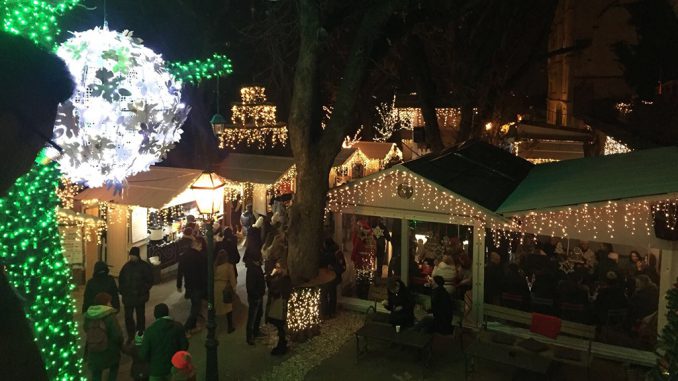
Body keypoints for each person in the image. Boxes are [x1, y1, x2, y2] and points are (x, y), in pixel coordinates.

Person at [140, 303, 188, 381]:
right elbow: (184, 346)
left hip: (156, 371)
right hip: (174, 368)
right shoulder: (178, 327)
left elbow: (143, 354)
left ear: (155, 315)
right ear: (167, 313)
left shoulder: (150, 331)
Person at [83, 292, 123, 381]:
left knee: (96, 372)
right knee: (114, 366)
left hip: (92, 348)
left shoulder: (88, 315)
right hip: (109, 349)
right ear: (106, 303)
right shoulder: (109, 315)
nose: (110, 304)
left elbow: (85, 328)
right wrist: (121, 343)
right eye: (109, 302)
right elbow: (117, 334)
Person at [119, 247, 154, 341]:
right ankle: (131, 334)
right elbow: (121, 280)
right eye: (131, 255)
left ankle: (140, 333)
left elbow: (149, 280)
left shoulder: (144, 266)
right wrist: (122, 291)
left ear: (137, 255)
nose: (131, 257)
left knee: (140, 316)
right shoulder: (126, 267)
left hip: (139, 297)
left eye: (133, 255)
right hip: (128, 296)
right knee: (128, 316)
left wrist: (142, 290)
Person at [176, 237, 207, 334]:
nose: (201, 247)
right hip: (198, 285)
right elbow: (204, 273)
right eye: (200, 245)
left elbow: (180, 271)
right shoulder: (200, 256)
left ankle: (192, 326)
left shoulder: (184, 255)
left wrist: (179, 284)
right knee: (196, 308)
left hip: (189, 285)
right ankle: (186, 328)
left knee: (194, 305)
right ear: (197, 245)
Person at [266, 260, 293, 355]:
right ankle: (282, 344)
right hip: (280, 305)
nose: (276, 269)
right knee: (280, 326)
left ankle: (282, 346)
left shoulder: (283, 279)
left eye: (278, 267)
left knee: (280, 326)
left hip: (279, 306)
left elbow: (272, 287)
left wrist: (271, 276)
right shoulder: (284, 278)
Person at [320, 238, 346, 318]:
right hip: (335, 277)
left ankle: (326, 313)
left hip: (328, 276)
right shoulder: (337, 252)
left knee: (324, 295)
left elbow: (322, 262)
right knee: (332, 294)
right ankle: (332, 312)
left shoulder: (327, 253)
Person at [214, 249, 237, 333]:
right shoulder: (229, 266)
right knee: (228, 307)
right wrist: (234, 289)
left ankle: (214, 326)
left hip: (216, 287)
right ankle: (230, 327)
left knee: (215, 306)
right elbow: (232, 280)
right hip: (225, 287)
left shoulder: (215, 266)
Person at [245, 259, 266, 345]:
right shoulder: (252, 269)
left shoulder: (257, 267)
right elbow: (250, 286)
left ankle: (256, 331)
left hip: (259, 295)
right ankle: (249, 336)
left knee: (259, 314)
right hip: (255, 297)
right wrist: (256, 295)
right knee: (252, 316)